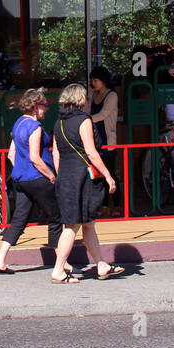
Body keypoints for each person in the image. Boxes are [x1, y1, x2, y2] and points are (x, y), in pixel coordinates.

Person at [50, 83, 122, 284]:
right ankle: (58, 270)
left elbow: (55, 153)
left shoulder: (59, 123)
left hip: (66, 176)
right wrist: (108, 175)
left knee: (88, 223)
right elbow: (91, 152)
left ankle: (101, 264)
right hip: (82, 178)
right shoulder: (84, 120)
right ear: (81, 100)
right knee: (72, 226)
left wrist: (61, 174)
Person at [0, 88, 64, 274]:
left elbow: (11, 154)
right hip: (38, 178)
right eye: (44, 105)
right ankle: (62, 263)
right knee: (56, 217)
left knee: (19, 220)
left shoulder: (18, 124)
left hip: (21, 179)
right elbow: (36, 158)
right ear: (35, 107)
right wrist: (51, 175)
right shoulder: (35, 128)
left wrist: (21, 170)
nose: (46, 109)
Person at [89, 66, 119, 215]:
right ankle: (103, 205)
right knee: (97, 174)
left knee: (110, 172)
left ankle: (117, 205)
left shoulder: (112, 95)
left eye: (95, 80)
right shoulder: (93, 95)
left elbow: (103, 114)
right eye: (91, 80)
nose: (92, 83)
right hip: (94, 139)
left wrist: (85, 120)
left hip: (107, 139)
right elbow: (87, 110)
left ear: (103, 81)